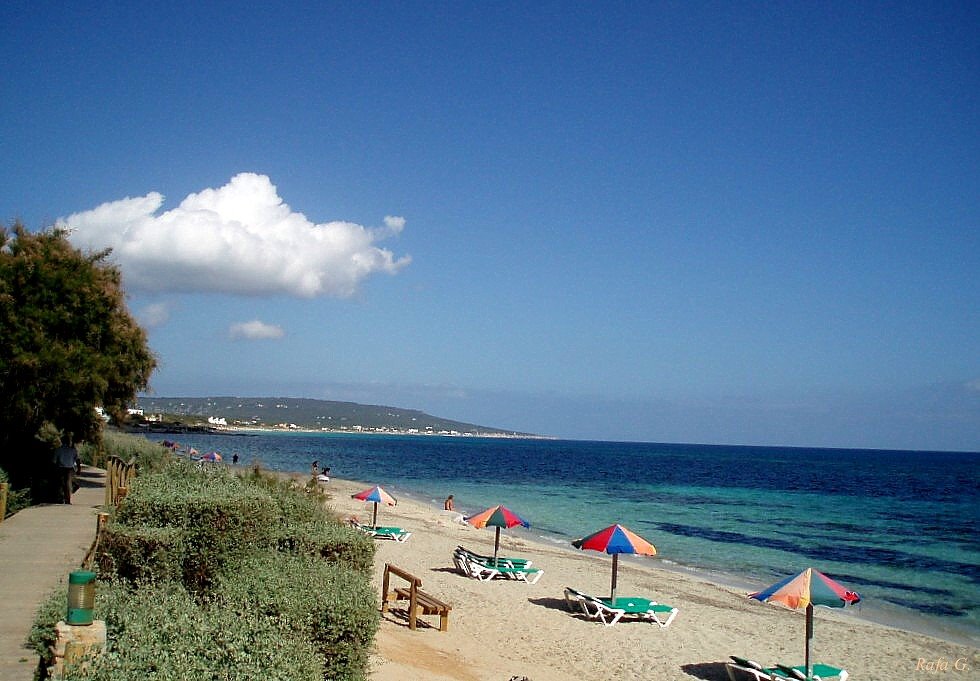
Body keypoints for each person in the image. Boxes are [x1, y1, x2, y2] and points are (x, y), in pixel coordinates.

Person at [53, 436, 79, 504]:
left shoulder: (58, 449)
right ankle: (67, 499)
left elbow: (54, 461)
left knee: (61, 484)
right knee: (69, 484)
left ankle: (61, 498)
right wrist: (79, 469)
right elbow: (77, 460)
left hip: (61, 468)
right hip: (70, 469)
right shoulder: (73, 450)